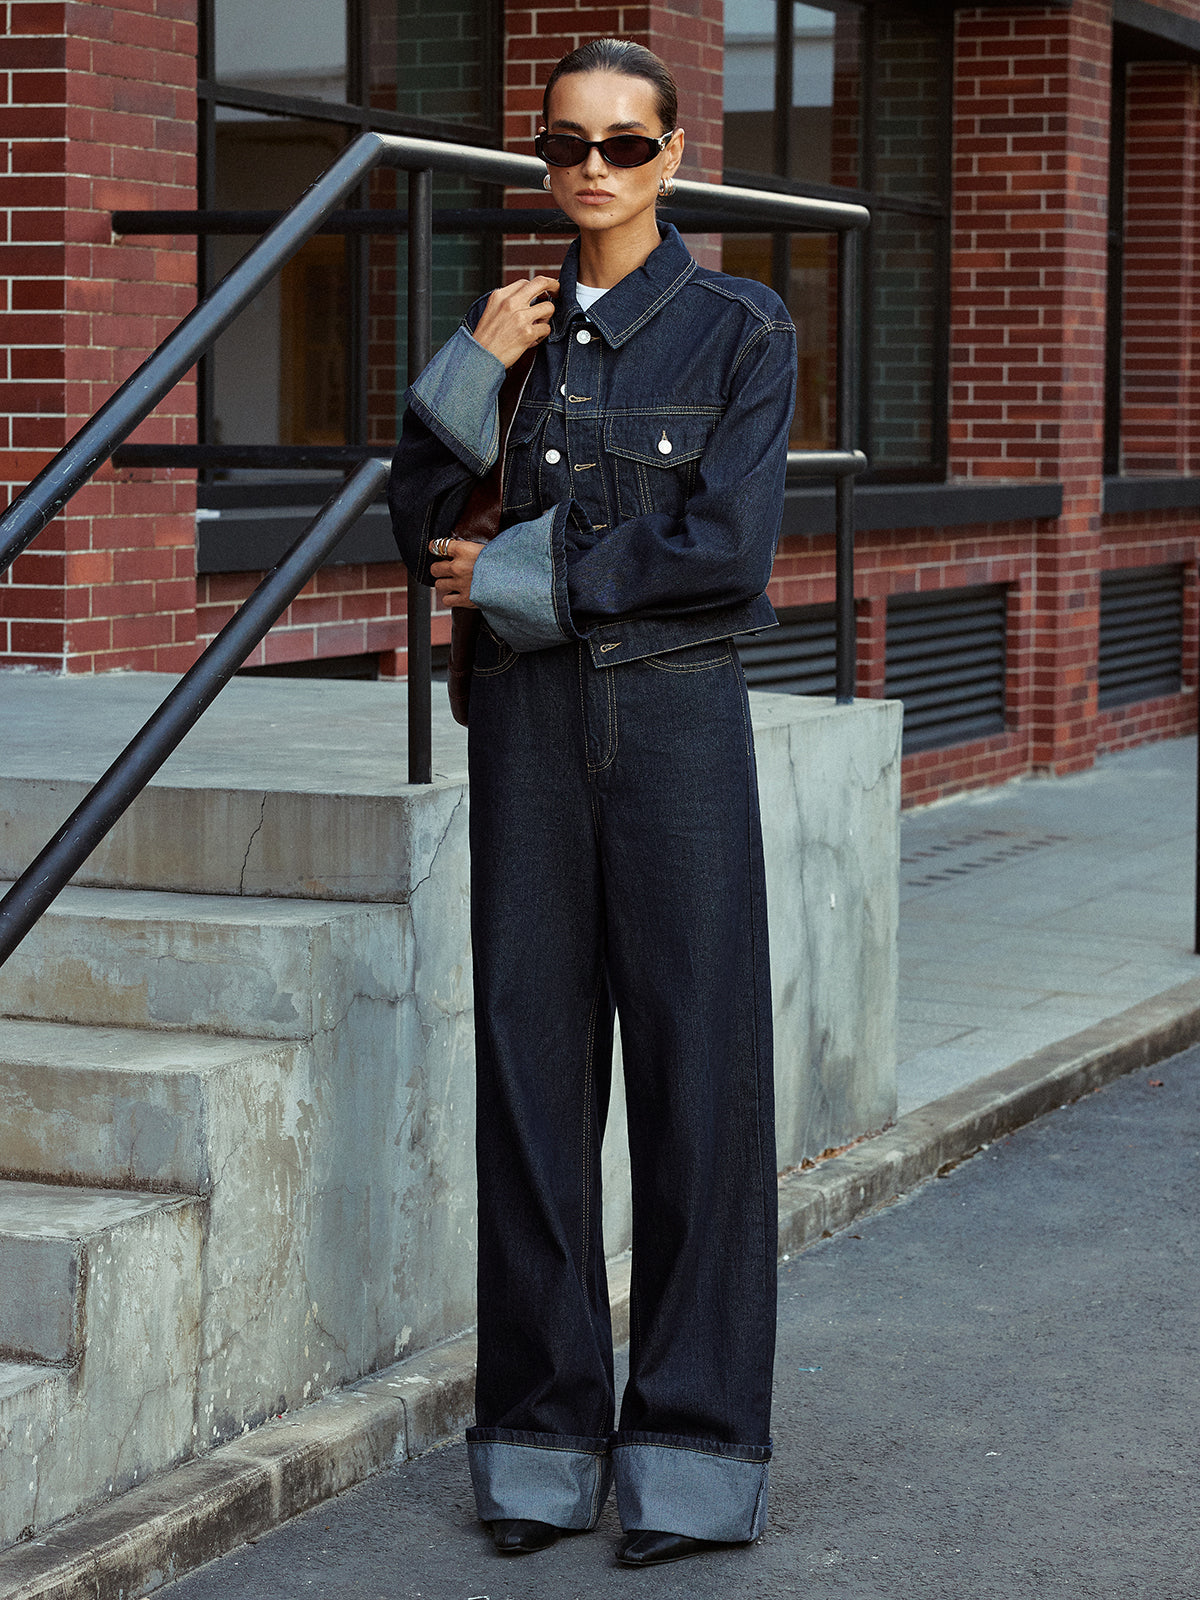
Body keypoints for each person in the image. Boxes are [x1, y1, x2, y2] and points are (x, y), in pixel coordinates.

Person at [388, 37, 796, 1570]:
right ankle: (542, 1445)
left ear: (676, 155)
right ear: (542, 159)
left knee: (702, 1082)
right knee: (532, 1079)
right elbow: (408, 518)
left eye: (626, 146)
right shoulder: (518, 335)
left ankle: (691, 1457)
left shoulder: (744, 328)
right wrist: (472, 366)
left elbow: (726, 551)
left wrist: (510, 576)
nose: (594, 173)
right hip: (532, 735)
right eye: (567, 145)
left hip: (679, 720)